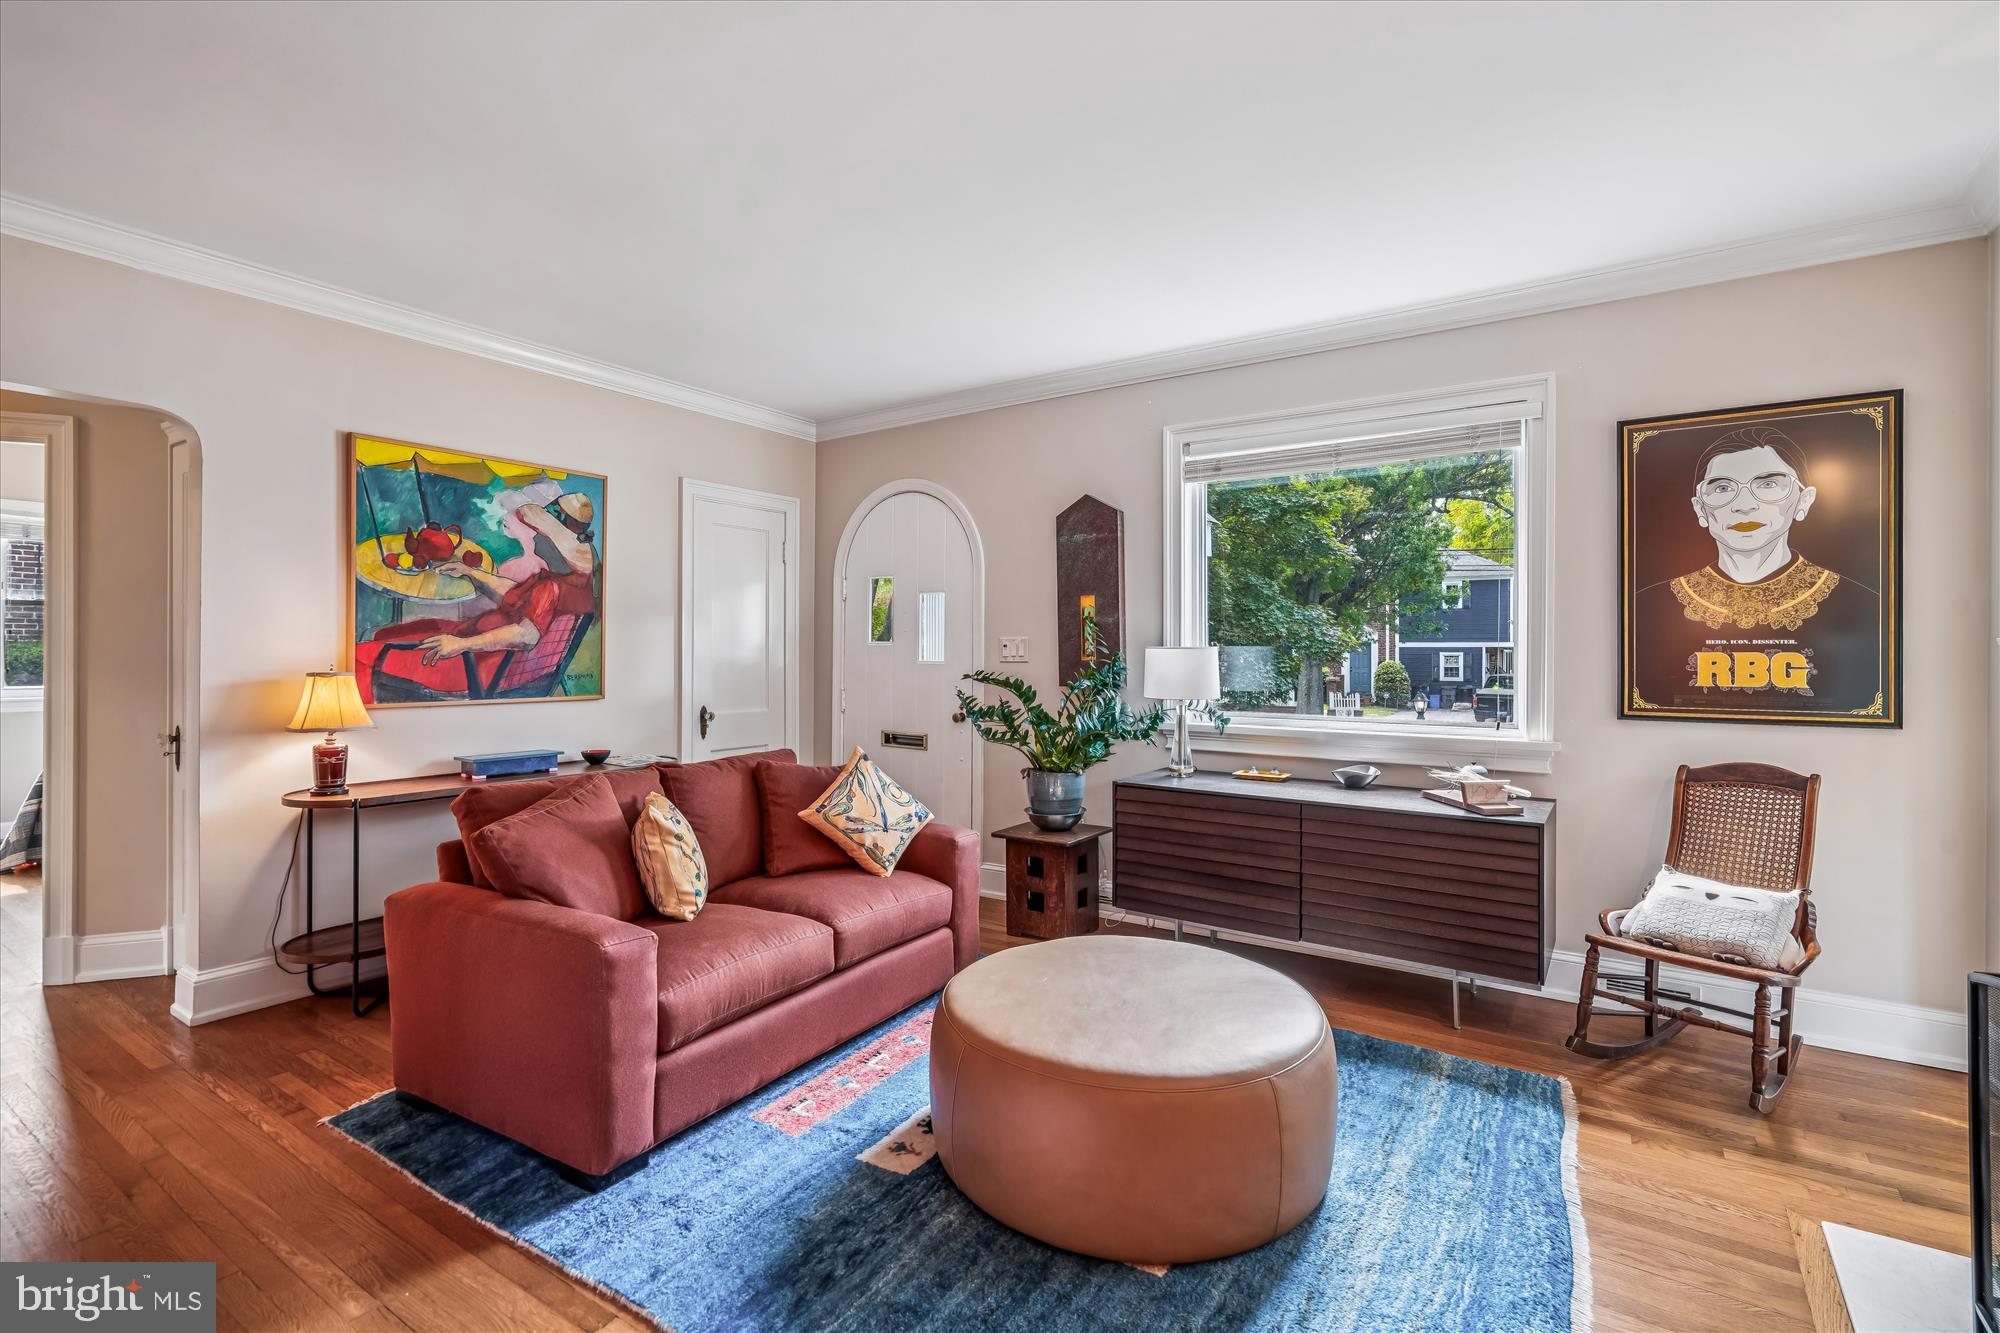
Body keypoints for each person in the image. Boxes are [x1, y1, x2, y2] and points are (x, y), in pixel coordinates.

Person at [1631, 425, 1878, 713]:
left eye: (1768, 485)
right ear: (1701, 510)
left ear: (1803, 500)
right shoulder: (1648, 605)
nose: (1744, 505)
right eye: (1722, 488)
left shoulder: (1862, 603)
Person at [356, 493, 597, 702]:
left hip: (477, 664)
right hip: (478, 647)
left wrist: (460, 645)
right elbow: (518, 597)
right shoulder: (571, 583)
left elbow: (526, 635)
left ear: (554, 543)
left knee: (363, 655)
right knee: (389, 634)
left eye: (540, 533)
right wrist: (472, 573)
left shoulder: (553, 587)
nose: (534, 538)